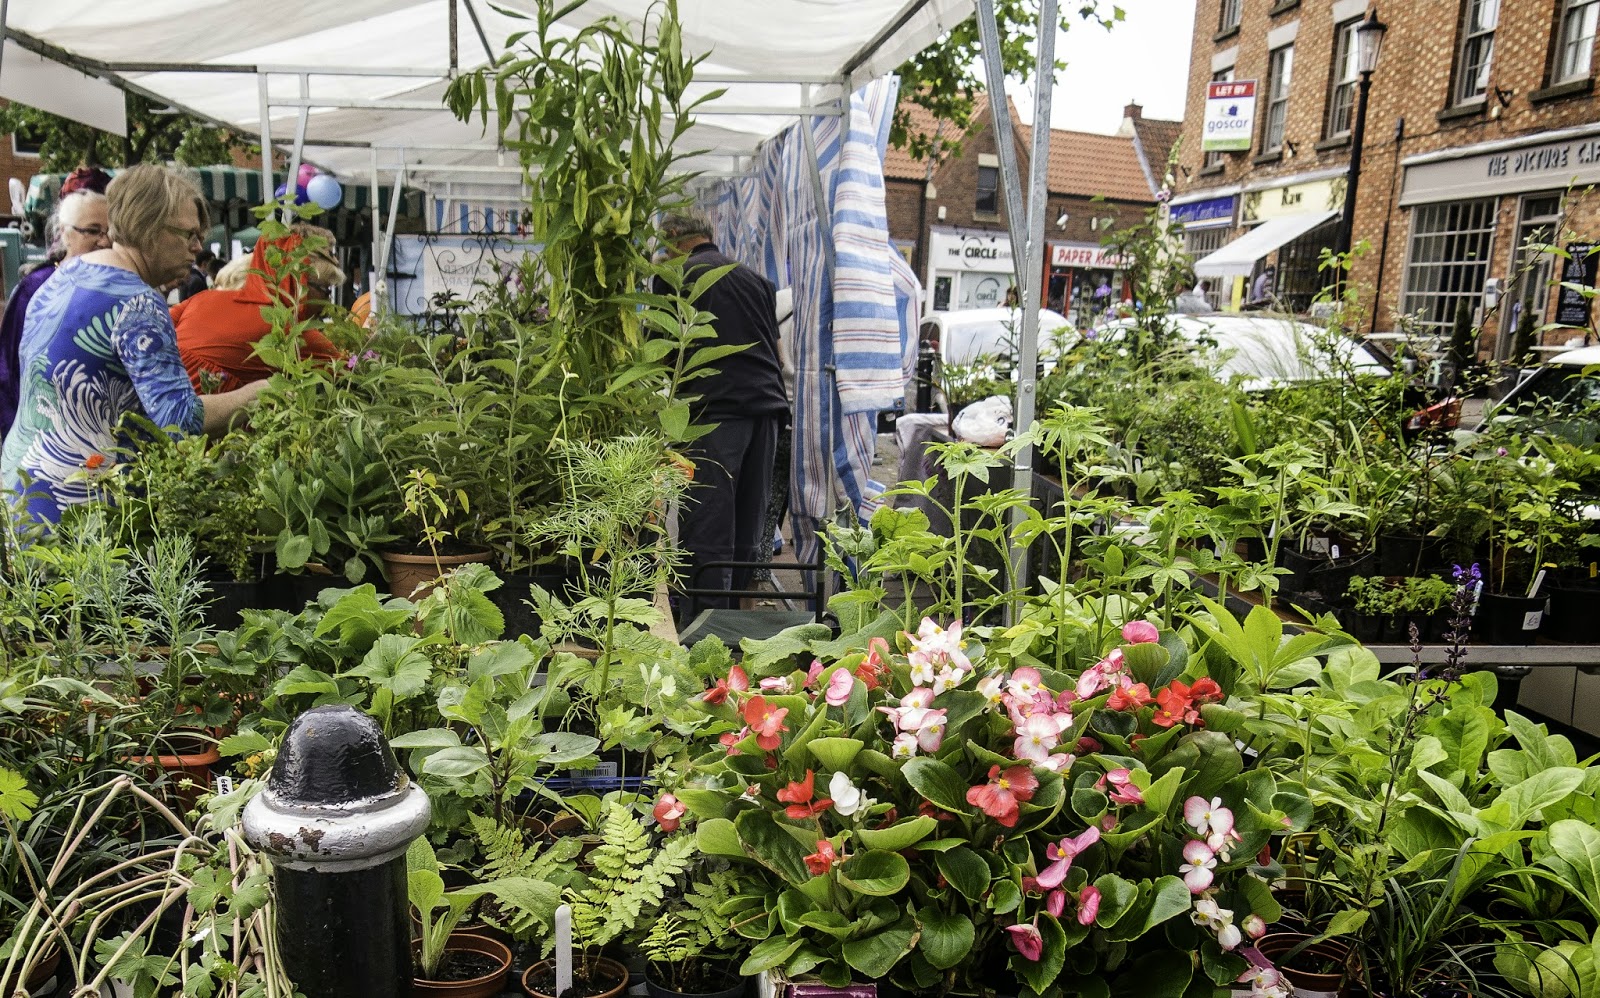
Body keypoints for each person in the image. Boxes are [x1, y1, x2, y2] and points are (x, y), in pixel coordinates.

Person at [1, 165, 268, 524]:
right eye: (188, 233)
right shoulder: (137, 302)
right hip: (78, 515)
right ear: (150, 228)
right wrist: (264, 392)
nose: (198, 247)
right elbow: (179, 418)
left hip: (20, 495)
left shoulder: (61, 278)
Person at [654, 213, 788, 608]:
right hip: (768, 410)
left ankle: (703, 627)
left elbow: (660, 352)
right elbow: (777, 355)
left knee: (709, 523)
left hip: (716, 412)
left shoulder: (676, 276)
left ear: (675, 238)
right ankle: (738, 623)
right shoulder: (757, 281)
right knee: (749, 522)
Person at [173, 225, 344, 392]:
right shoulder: (289, 330)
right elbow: (351, 376)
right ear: (301, 283)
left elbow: (154, 327)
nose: (327, 300)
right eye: (325, 289)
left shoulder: (203, 298)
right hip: (200, 415)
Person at [0, 189, 111, 439]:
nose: (104, 241)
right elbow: (8, 370)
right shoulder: (36, 286)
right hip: (42, 437)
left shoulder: (119, 287)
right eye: (93, 231)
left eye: (109, 232)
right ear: (64, 232)